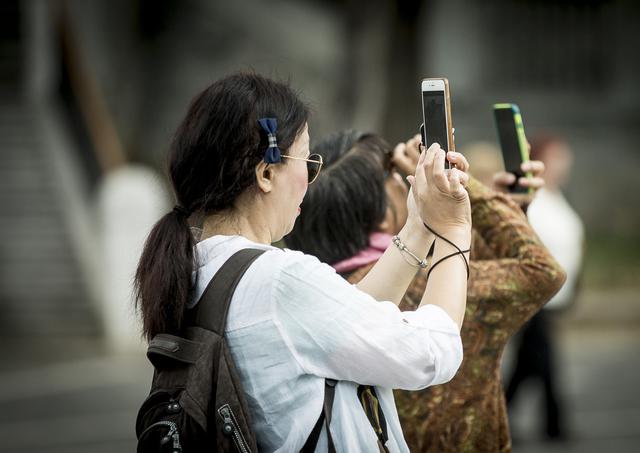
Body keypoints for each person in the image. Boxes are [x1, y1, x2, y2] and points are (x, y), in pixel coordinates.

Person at [134, 73, 473, 452]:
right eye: (308, 162)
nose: (310, 180)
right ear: (266, 173)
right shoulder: (279, 281)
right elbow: (430, 353)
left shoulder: (199, 267)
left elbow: (342, 318)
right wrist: (454, 229)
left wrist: (420, 226)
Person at [286, 130, 566, 452]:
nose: (410, 181)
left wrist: (502, 208)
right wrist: (460, 185)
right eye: (396, 176)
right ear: (381, 218)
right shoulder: (420, 284)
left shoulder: (319, 291)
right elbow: (542, 271)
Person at [505, 135, 585, 441]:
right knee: (544, 360)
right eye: (556, 158)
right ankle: (555, 424)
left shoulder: (558, 196)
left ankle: (504, 415)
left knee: (530, 363)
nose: (563, 165)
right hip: (536, 297)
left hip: (555, 298)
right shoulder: (533, 198)